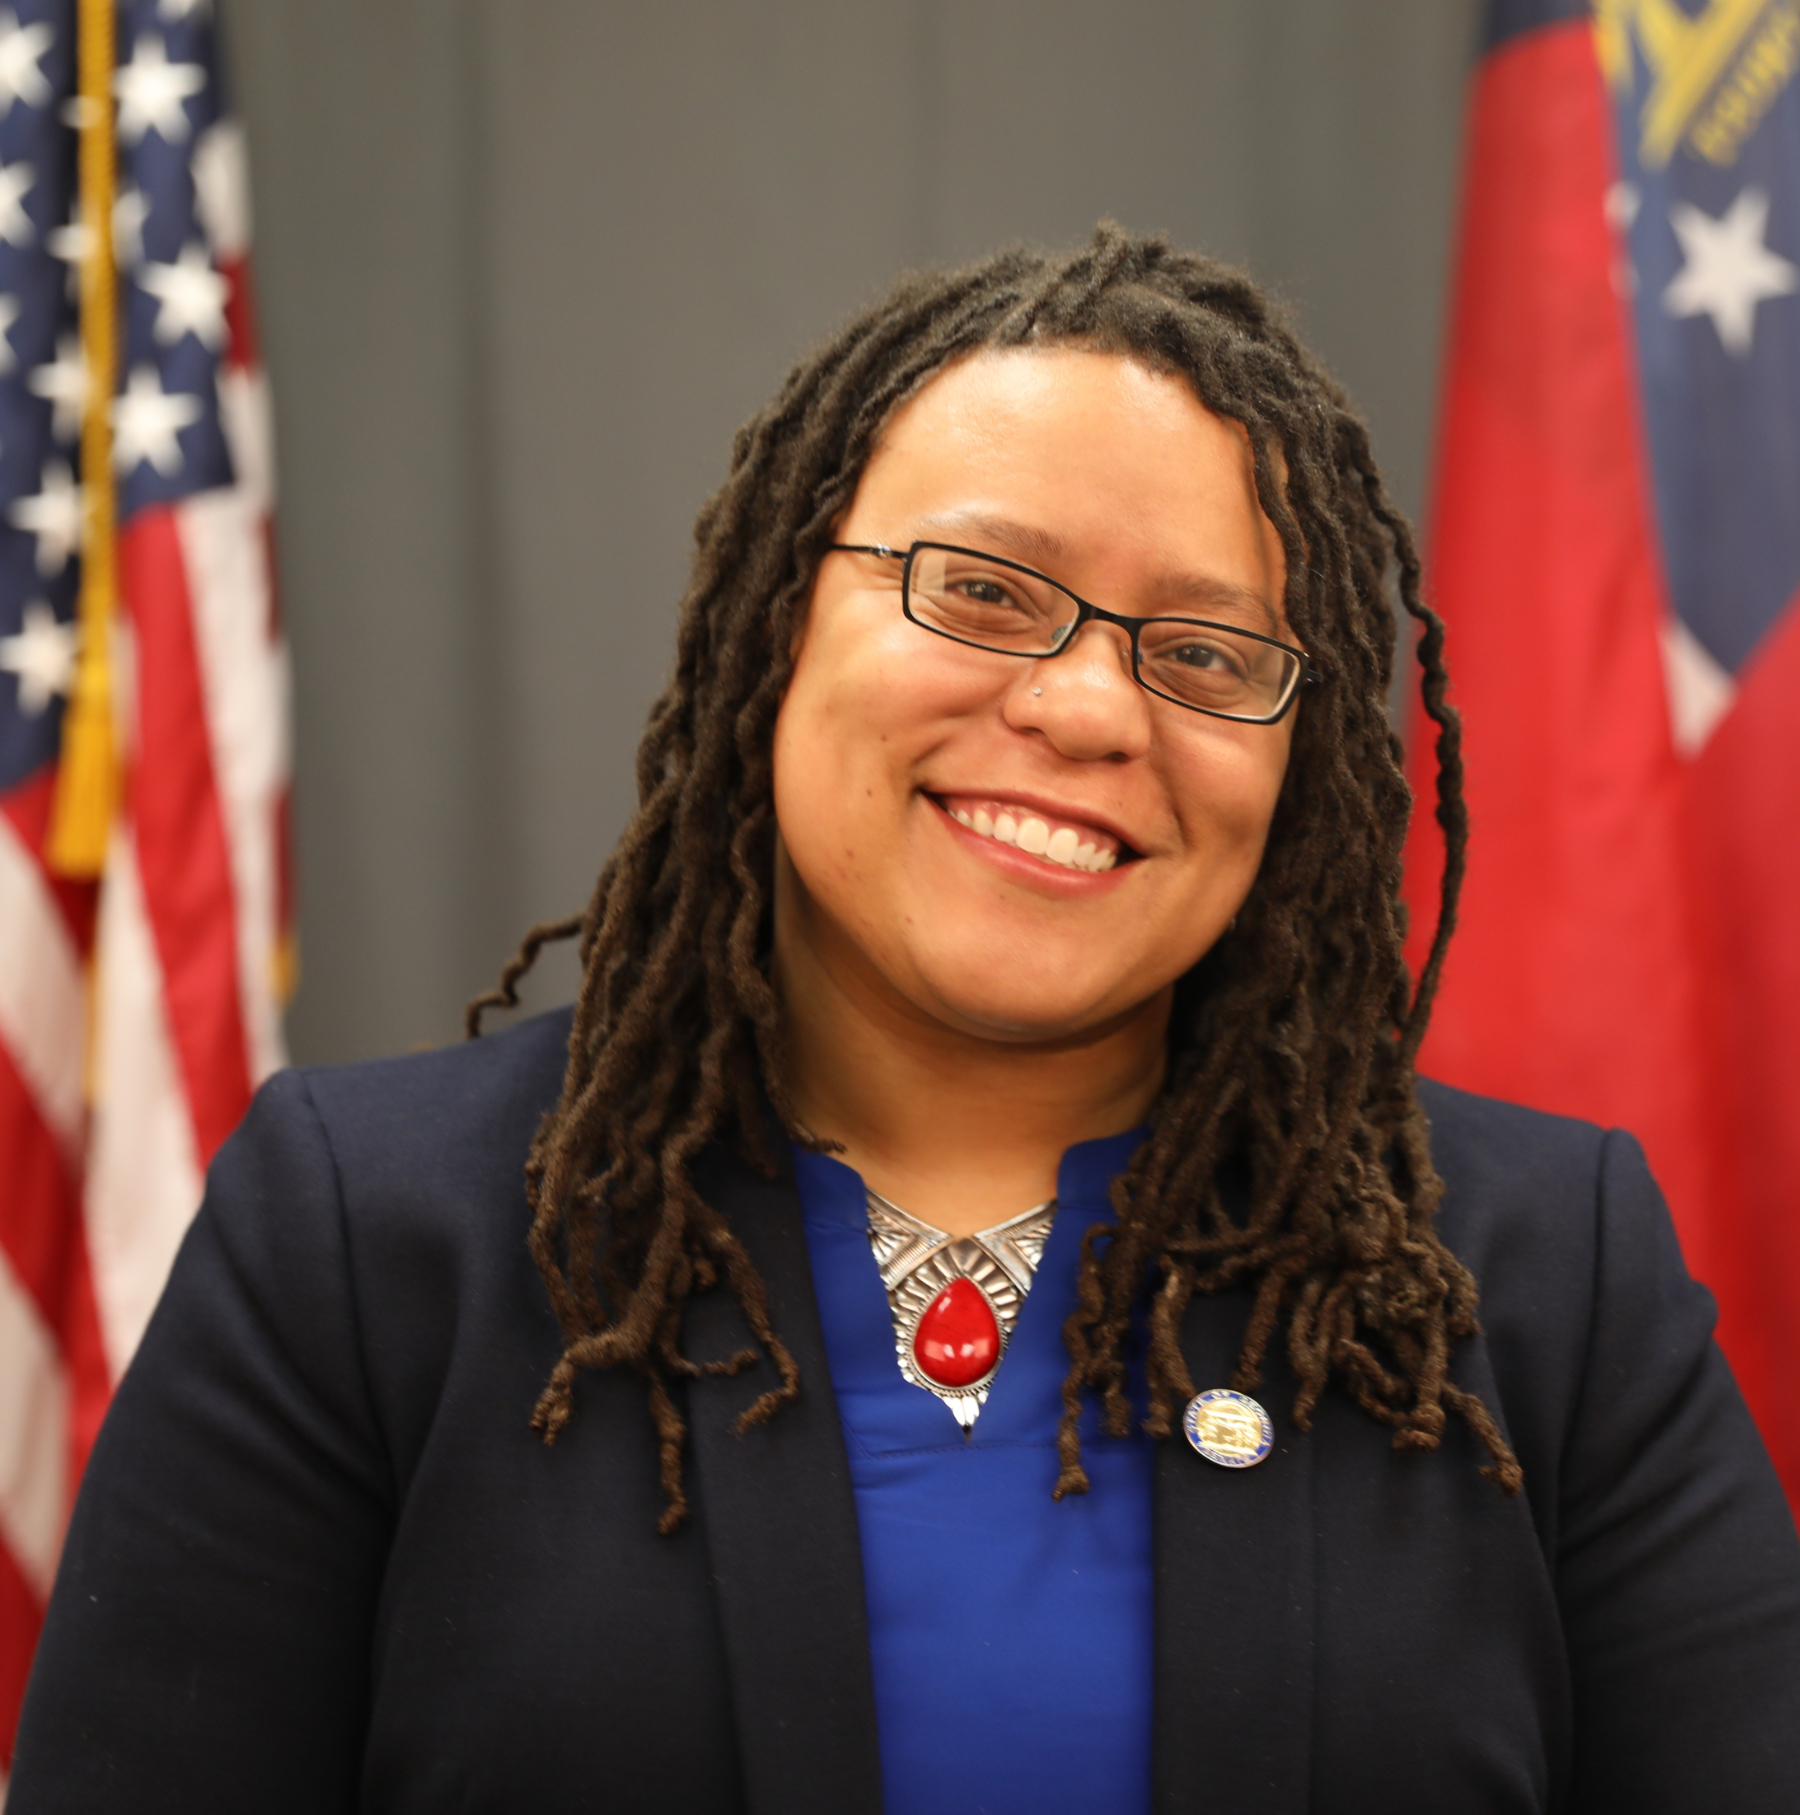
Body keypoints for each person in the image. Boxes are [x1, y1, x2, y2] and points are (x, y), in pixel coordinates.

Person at [11, 226, 1800, 1814]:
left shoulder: (1544, 1279)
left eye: (1205, 654)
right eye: (986, 592)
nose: (1093, 709)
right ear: (776, 622)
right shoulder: (361, 1244)